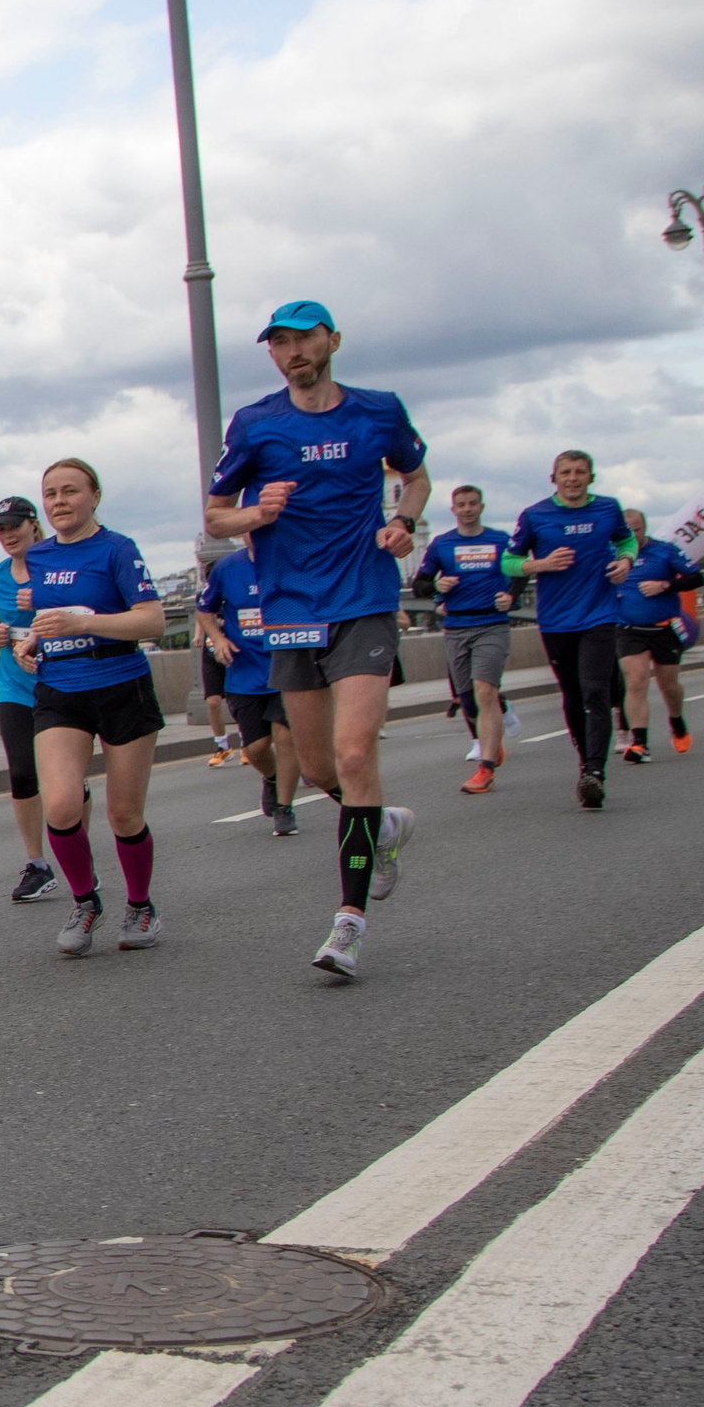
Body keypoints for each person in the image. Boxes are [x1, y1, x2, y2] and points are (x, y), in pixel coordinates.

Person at [205, 300, 425, 981]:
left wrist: (403, 521)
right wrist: (256, 512)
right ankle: (382, 825)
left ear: (333, 340)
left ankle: (349, 924)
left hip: (363, 597)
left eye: (305, 338)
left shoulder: (378, 410)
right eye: (280, 342)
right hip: (291, 610)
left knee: (356, 753)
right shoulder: (256, 424)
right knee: (325, 770)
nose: (294, 350)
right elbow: (215, 515)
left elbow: (413, 476)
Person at [15, 458, 167, 955]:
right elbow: (48, 621)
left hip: (122, 683)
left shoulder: (118, 550)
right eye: (51, 493)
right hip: (61, 689)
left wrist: (85, 625)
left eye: (70, 492)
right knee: (60, 804)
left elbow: (152, 621)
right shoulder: (37, 557)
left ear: (95, 496)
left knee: (124, 813)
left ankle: (141, 906)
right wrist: (31, 642)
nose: (60, 502)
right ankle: (85, 902)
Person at [512, 449, 636, 809]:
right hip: (555, 619)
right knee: (572, 696)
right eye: (565, 472)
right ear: (554, 479)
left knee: (594, 690)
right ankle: (585, 762)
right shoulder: (535, 515)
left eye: (580, 471)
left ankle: (595, 772)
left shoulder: (608, 508)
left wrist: (626, 560)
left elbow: (626, 539)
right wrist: (541, 564)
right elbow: (509, 561)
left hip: (599, 614)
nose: (573, 478)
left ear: (591, 478)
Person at [0, 498, 61, 901]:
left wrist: (40, 631)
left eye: (14, 526)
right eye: (1, 529)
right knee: (22, 774)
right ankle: (37, 864)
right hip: (14, 684)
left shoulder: (56, 563)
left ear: (34, 525)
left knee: (66, 781)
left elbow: (82, 611)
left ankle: (81, 858)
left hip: (60, 681)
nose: (8, 535)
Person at [414, 482, 518, 793]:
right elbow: (420, 585)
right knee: (468, 699)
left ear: (481, 507)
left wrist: (511, 595)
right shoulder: (442, 544)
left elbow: (521, 571)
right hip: (456, 627)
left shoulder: (500, 540)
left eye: (473, 503)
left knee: (486, 691)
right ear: (453, 509)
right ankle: (492, 745)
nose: (468, 509)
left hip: (492, 624)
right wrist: (438, 586)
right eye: (462, 505)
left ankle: (485, 769)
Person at [196, 541, 300, 835]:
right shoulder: (227, 568)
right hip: (244, 672)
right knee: (255, 749)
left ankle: (284, 807)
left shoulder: (292, 558)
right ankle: (272, 777)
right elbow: (204, 609)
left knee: (285, 735)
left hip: (286, 666)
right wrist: (217, 639)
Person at [611, 508, 702, 763]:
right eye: (627, 530)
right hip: (628, 628)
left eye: (637, 528)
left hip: (663, 627)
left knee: (669, 685)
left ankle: (677, 721)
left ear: (644, 527)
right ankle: (639, 743)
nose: (632, 534)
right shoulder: (611, 554)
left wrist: (665, 585)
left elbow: (697, 577)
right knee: (636, 682)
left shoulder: (665, 550)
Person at [200, 633, 239, 766]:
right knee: (213, 701)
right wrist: (198, 633)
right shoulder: (206, 611)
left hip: (235, 650)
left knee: (239, 699)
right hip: (211, 652)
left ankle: (246, 744)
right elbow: (201, 614)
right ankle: (222, 747)